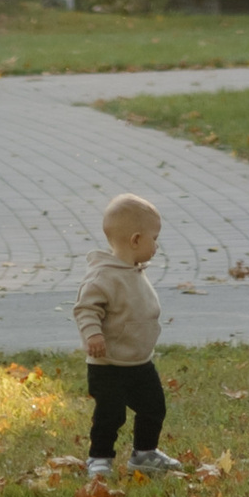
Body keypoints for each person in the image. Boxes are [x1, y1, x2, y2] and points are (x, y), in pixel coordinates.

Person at [74, 187, 179, 477]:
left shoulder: (134, 270)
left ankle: (145, 453)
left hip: (139, 362)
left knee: (153, 407)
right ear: (136, 240)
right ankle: (99, 458)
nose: (156, 246)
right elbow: (86, 309)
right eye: (154, 239)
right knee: (110, 415)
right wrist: (93, 335)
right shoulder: (102, 276)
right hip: (108, 366)